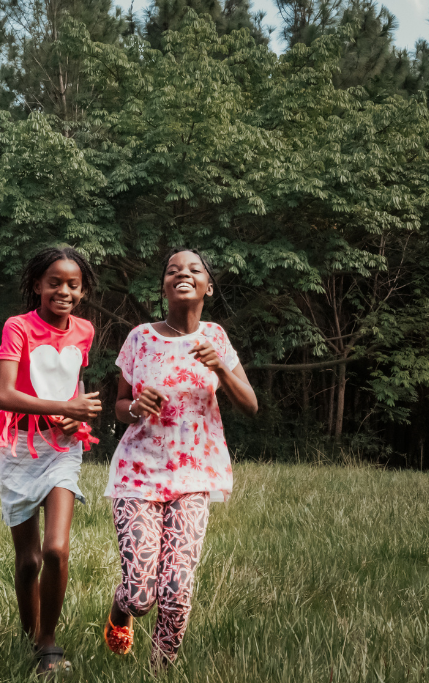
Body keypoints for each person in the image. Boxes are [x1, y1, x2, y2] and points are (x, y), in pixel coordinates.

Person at [102, 248, 258, 669]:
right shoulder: (140, 337)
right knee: (140, 593)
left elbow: (251, 405)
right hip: (137, 473)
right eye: (173, 271)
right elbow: (118, 405)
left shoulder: (216, 337)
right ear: (164, 287)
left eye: (193, 270)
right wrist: (135, 406)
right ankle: (120, 611)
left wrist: (222, 369)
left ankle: (159, 672)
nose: (182, 275)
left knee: (176, 591)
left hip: (193, 475)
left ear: (209, 285)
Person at [0, 246, 102, 678]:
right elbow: (3, 395)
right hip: (17, 445)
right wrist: (66, 406)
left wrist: (77, 414)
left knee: (55, 548)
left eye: (73, 284)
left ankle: (49, 642)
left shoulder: (85, 331)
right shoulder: (18, 327)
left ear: (83, 291)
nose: (64, 291)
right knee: (29, 560)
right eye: (54, 282)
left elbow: (71, 379)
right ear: (37, 285)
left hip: (62, 449)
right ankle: (29, 633)